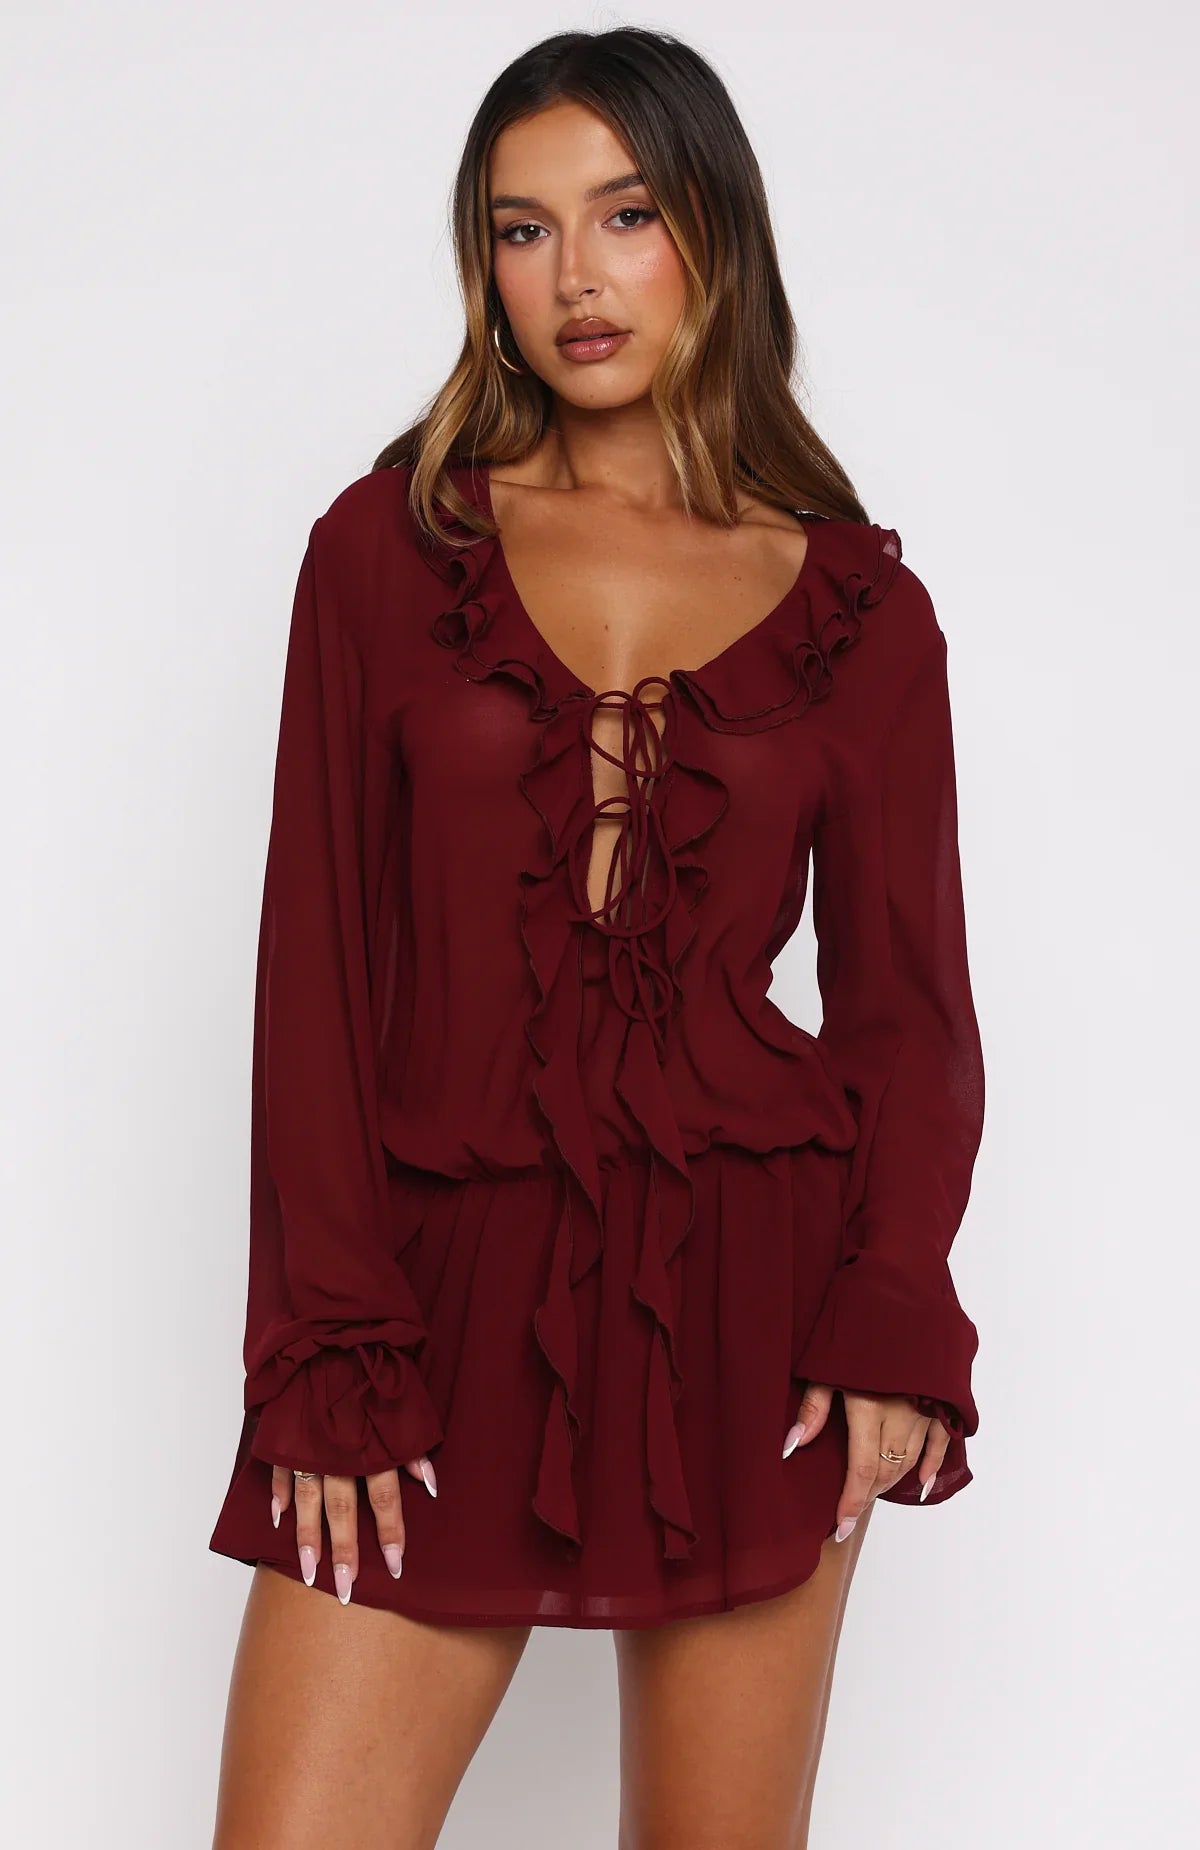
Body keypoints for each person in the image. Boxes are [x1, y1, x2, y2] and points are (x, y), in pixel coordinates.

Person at [208, 25, 985, 1850]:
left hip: (753, 1297)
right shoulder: (386, 553)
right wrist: (330, 1339)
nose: (573, 276)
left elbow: (909, 1008)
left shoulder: (863, 612)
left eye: (624, 215)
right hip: (435, 1295)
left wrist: (890, 1306)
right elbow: (316, 974)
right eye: (522, 227)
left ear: (713, 230)